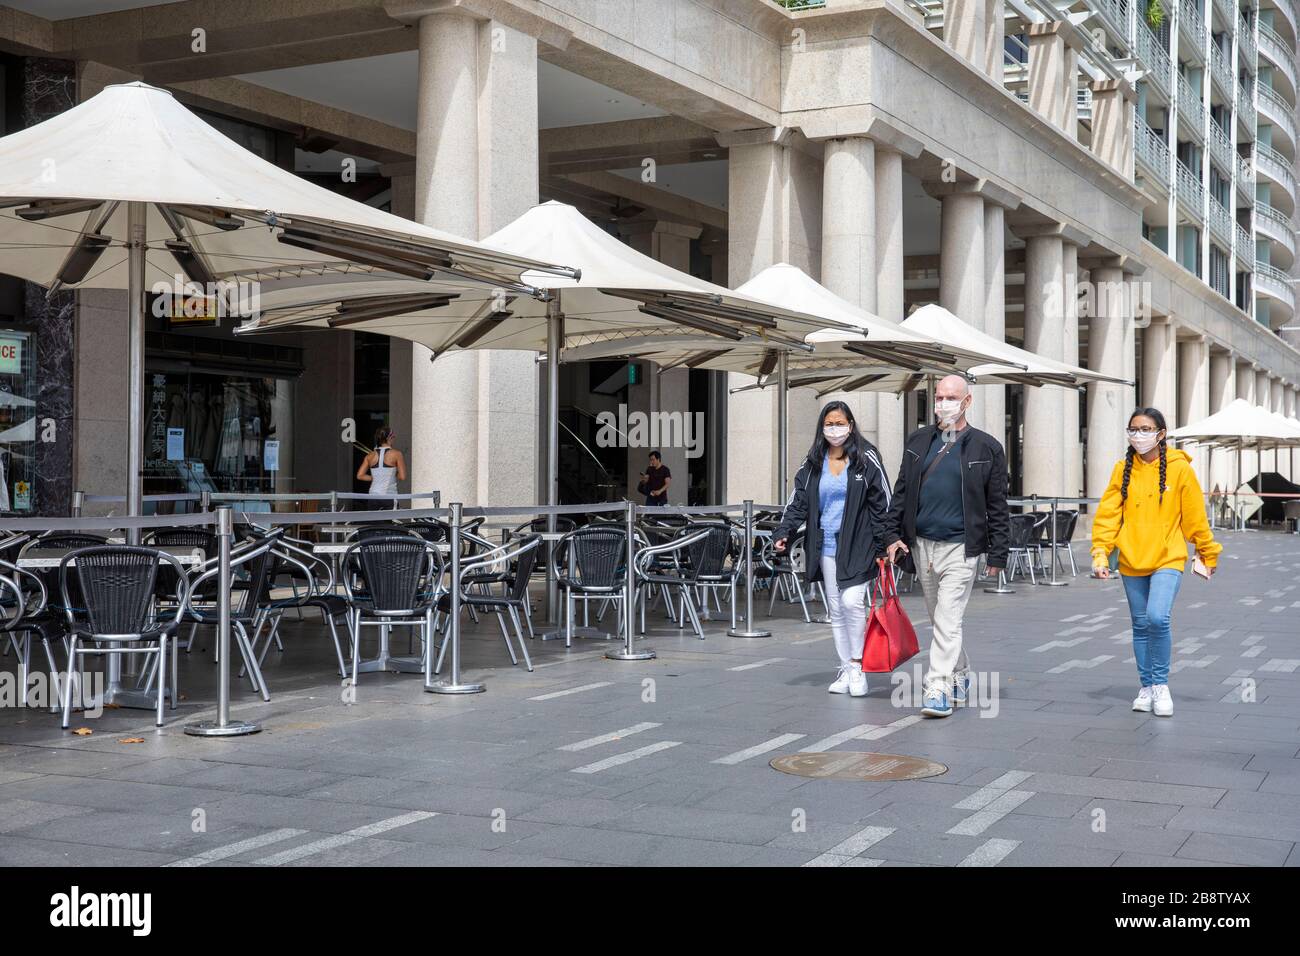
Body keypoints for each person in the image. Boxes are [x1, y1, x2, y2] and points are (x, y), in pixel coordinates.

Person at [882, 374, 1009, 718]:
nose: (943, 404)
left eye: (951, 397)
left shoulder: (987, 447)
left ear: (967, 402)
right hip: (922, 544)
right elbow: (902, 491)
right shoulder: (918, 441)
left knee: (948, 617)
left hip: (961, 547)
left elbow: (997, 503)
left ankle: (936, 687)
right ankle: (961, 672)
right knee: (940, 619)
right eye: (938, 397)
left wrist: (998, 552)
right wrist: (892, 535)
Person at [1089, 407, 1221, 718]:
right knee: (1139, 624)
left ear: (1161, 434)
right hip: (1131, 558)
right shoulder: (1122, 468)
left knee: (1157, 618)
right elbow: (1108, 516)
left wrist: (1207, 551)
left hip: (1168, 557)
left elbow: (1194, 518)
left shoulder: (1180, 470)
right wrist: (1099, 552)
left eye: (1146, 429)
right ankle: (1146, 686)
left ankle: (1160, 685)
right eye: (1133, 429)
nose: (1139, 435)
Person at [773, 401, 892, 696]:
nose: (834, 429)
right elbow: (798, 500)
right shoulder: (814, 461)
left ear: (850, 425)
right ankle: (847, 668)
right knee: (836, 609)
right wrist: (784, 531)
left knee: (852, 602)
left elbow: (882, 503)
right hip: (825, 543)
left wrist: (886, 542)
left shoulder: (866, 458)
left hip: (859, 543)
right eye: (829, 423)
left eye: (840, 423)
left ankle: (858, 664)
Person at [356, 425, 407, 507]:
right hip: (389, 496)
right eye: (393, 436)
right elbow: (402, 476)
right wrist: (393, 474)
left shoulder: (370, 456)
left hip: (373, 496)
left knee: (374, 519)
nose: (394, 437)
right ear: (389, 438)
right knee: (388, 520)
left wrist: (376, 477)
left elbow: (360, 476)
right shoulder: (397, 454)